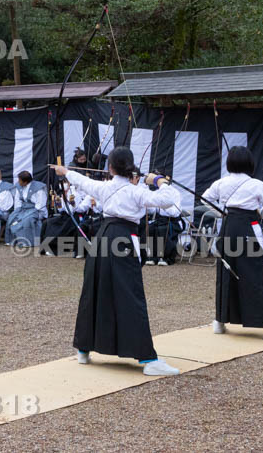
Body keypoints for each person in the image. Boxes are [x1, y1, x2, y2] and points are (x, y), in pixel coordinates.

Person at [50, 147, 183, 377]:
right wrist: (158, 180)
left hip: (102, 238)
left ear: (110, 168)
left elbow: (82, 181)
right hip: (123, 240)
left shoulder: (106, 187)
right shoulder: (136, 191)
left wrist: (65, 171)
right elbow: (171, 200)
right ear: (130, 168)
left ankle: (84, 349)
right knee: (130, 295)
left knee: (95, 289)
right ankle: (148, 359)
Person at [203, 146, 263, 342]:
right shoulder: (256, 184)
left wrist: (222, 214)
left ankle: (220, 321)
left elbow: (206, 199)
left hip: (228, 228)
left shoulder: (221, 182)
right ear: (249, 163)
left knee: (226, 271)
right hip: (248, 228)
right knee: (255, 274)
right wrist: (260, 214)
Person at [5, 171, 47, 248]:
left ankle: (27, 242)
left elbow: (40, 204)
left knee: (26, 220)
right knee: (12, 217)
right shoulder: (19, 186)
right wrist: (17, 211)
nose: (18, 182)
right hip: (23, 208)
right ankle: (13, 241)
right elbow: (17, 201)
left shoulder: (38, 188)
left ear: (25, 182)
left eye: (19, 180)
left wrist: (34, 214)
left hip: (35, 210)